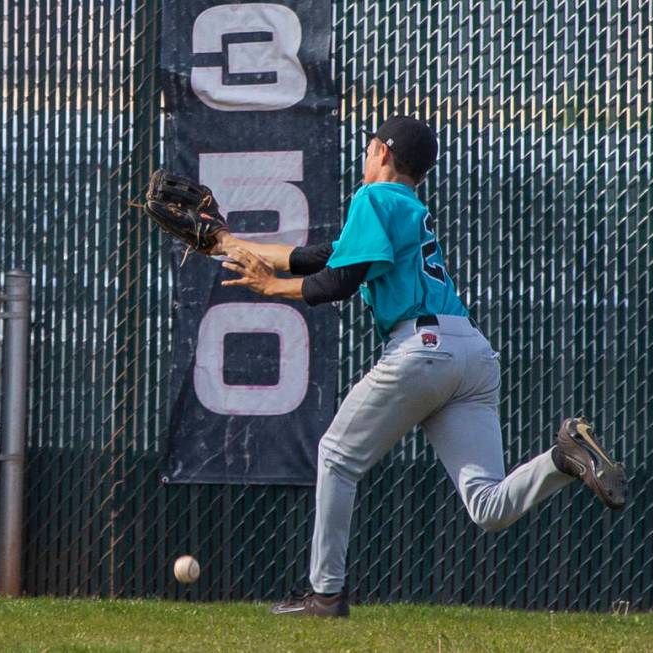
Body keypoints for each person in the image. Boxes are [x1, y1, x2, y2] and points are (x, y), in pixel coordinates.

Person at [210, 116, 627, 618]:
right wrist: (229, 245)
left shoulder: (373, 200)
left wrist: (269, 287)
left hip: (422, 347)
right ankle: (563, 458)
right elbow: (317, 257)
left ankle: (325, 595)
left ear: (382, 153)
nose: (365, 158)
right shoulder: (406, 207)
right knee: (488, 506)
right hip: (471, 352)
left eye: (368, 149)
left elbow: (337, 283)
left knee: (337, 457)